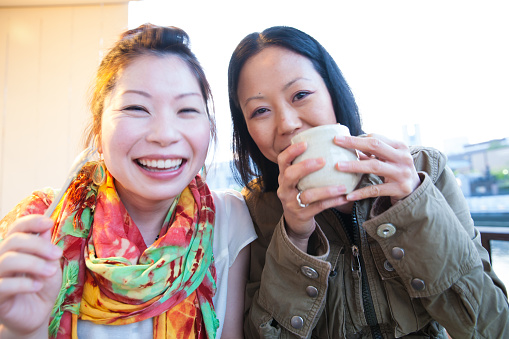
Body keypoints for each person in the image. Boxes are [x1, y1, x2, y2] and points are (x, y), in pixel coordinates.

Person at [227, 26, 509, 338]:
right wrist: (293, 236)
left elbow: (491, 326)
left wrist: (414, 208)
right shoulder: (255, 207)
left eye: (301, 95)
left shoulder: (422, 168)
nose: (288, 123)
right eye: (260, 110)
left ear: (332, 91)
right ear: (246, 127)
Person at [0, 24, 256, 339]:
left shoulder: (228, 218)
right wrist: (22, 329)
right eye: (136, 108)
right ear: (98, 130)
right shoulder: (41, 223)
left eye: (187, 110)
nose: (164, 134)